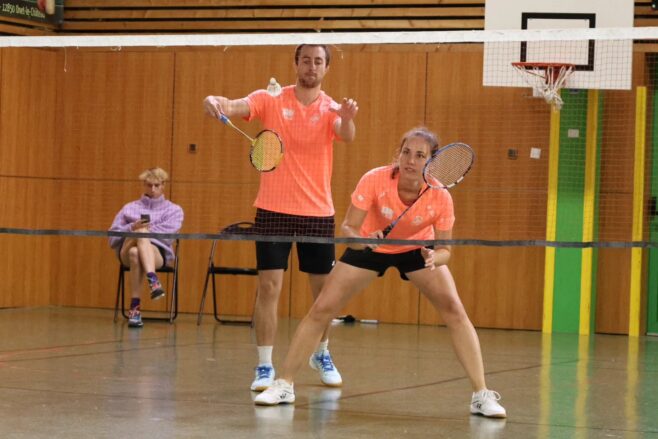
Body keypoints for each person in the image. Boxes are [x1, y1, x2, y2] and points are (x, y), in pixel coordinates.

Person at [253, 127, 507, 418]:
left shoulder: (440, 196)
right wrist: (363, 240)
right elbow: (348, 229)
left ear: (431, 161)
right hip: (371, 246)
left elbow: (446, 251)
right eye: (406, 152)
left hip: (417, 250)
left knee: (454, 309)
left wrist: (433, 257)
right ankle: (284, 384)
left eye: (420, 155)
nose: (410, 160)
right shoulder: (375, 179)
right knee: (322, 307)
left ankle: (481, 394)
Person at [203, 44, 358, 392]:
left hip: (318, 213)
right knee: (268, 287)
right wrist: (213, 100)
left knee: (324, 295)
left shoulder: (331, 107)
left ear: (326, 68)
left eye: (318, 61)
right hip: (273, 210)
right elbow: (234, 105)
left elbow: (346, 134)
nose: (311, 67)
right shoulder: (270, 98)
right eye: (306, 60)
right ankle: (264, 365)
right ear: (296, 64)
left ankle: (322, 353)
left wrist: (348, 118)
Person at [109, 167, 184, 328]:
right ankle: (153, 281)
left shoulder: (174, 210)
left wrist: (145, 231)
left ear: (163, 185)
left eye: (157, 185)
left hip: (156, 253)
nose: (153, 189)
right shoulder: (129, 207)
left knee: (136, 252)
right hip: (126, 249)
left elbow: (169, 233)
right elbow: (113, 235)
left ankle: (134, 309)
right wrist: (132, 227)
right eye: (149, 185)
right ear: (144, 185)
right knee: (139, 234)